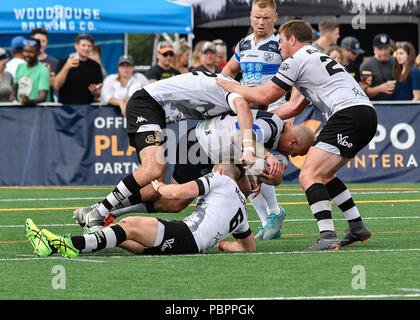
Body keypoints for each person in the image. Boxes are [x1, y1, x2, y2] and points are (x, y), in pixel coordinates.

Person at [217, 19, 377, 251]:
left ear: (292, 39)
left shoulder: (295, 60)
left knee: (308, 175)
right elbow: (293, 107)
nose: (279, 47)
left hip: (348, 115)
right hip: (365, 114)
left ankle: (327, 235)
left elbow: (266, 95)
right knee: (326, 174)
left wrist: (232, 87)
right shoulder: (315, 56)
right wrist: (259, 121)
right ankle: (357, 226)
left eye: (281, 41)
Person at [73, 71, 258, 232]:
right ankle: (98, 213)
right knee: (152, 169)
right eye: (258, 102)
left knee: (161, 195)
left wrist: (249, 170)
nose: (256, 108)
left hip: (156, 113)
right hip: (146, 104)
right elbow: (242, 108)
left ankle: (98, 209)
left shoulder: (227, 90)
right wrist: (250, 150)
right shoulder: (235, 96)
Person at [90, 110, 314, 240]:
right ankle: (105, 208)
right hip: (200, 145)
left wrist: (263, 174)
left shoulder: (273, 129)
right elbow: (241, 138)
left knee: (241, 189)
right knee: (172, 200)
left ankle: (110, 210)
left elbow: (243, 151)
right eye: (294, 152)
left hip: (213, 149)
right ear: (294, 141)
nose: (288, 154)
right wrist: (266, 159)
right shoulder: (272, 127)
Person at [25, 161, 256, 258]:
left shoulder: (221, 179)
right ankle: (98, 231)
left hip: (186, 235)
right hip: (190, 246)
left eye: (213, 169)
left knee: (130, 224)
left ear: (221, 171)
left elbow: (179, 193)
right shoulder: (243, 211)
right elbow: (248, 247)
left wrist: (160, 186)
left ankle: (59, 244)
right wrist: (219, 243)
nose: (210, 172)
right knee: (132, 238)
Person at [221, 0, 286, 239]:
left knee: (253, 160)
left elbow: (297, 79)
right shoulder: (244, 43)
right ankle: (271, 216)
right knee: (247, 162)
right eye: (257, 17)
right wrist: (230, 89)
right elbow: (228, 71)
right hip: (247, 112)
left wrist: (288, 112)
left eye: (266, 18)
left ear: (275, 18)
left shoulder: (281, 44)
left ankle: (273, 214)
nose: (261, 22)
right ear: (250, 16)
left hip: (271, 113)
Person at [54, 32, 103, 104]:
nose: (86, 48)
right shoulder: (64, 62)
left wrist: (95, 92)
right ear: (76, 46)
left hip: (88, 109)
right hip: (66, 110)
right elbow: (56, 86)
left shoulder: (95, 66)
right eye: (83, 45)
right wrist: (66, 67)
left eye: (89, 46)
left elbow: (98, 94)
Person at [9, 38, 50, 105]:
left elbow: (42, 97)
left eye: (31, 52)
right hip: (21, 111)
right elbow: (15, 88)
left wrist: (29, 102)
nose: (27, 54)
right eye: (25, 51)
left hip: (38, 112)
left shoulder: (43, 70)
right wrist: (13, 96)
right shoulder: (20, 67)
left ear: (38, 52)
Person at [359, 33, 396, 100]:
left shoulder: (395, 61)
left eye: (386, 48)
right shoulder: (367, 66)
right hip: (376, 105)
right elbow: (364, 91)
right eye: (380, 49)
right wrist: (380, 88)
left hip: (396, 104)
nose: (383, 52)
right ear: (374, 48)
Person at [30, 28, 58, 102]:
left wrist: (53, 83)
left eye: (44, 41)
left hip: (48, 106)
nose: (41, 44)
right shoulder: (24, 63)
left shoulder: (54, 63)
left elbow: (57, 89)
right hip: (28, 105)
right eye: (38, 41)